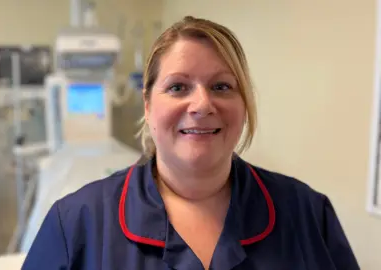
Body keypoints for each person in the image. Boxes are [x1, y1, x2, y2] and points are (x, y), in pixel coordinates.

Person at [22, 16, 360, 270]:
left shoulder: (309, 215)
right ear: (148, 104)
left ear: (245, 104)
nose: (201, 105)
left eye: (222, 87)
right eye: (178, 87)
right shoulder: (77, 225)